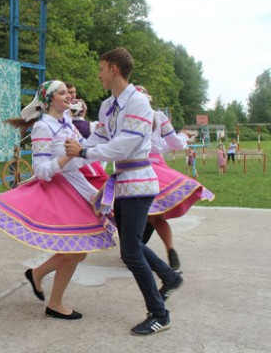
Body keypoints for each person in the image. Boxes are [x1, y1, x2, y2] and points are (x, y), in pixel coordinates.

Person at [64, 47, 183, 336]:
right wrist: (69, 143)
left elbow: (126, 145)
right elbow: (100, 136)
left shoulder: (139, 103)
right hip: (123, 184)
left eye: (101, 68)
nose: (99, 74)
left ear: (114, 69)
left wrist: (84, 151)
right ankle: (169, 277)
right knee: (132, 244)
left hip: (139, 183)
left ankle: (160, 313)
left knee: (130, 252)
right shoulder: (108, 106)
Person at [0, 80, 115, 320]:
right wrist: (67, 157)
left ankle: (38, 276)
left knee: (79, 251)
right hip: (59, 189)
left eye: (68, 92)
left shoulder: (66, 123)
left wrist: (102, 137)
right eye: (62, 93)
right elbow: (42, 170)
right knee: (77, 250)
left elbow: (82, 152)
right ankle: (53, 300)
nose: (68, 96)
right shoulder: (43, 127)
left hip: (76, 185)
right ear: (50, 99)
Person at [136, 86, 215, 271]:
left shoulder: (128, 116)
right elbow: (172, 144)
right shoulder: (158, 116)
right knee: (156, 216)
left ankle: (134, 249)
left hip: (136, 166)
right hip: (157, 167)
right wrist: (183, 136)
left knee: (135, 212)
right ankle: (169, 248)